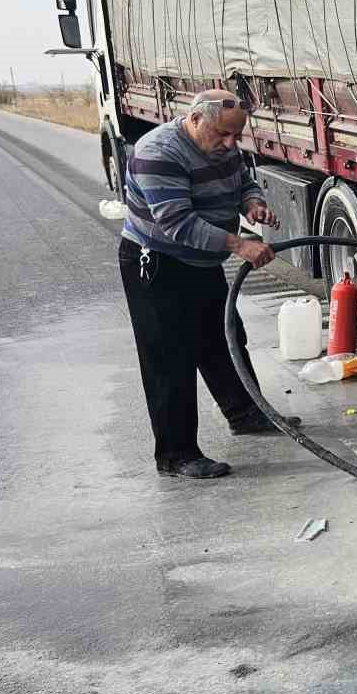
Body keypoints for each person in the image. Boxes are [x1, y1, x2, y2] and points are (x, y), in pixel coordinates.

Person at [119, 88, 298, 479]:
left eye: (237, 136)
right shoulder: (159, 153)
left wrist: (252, 203)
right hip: (159, 264)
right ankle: (176, 454)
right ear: (195, 119)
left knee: (223, 338)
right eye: (223, 135)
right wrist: (240, 245)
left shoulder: (222, 143)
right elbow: (178, 223)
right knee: (170, 359)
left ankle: (246, 413)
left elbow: (243, 180)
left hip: (200, 262)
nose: (230, 144)